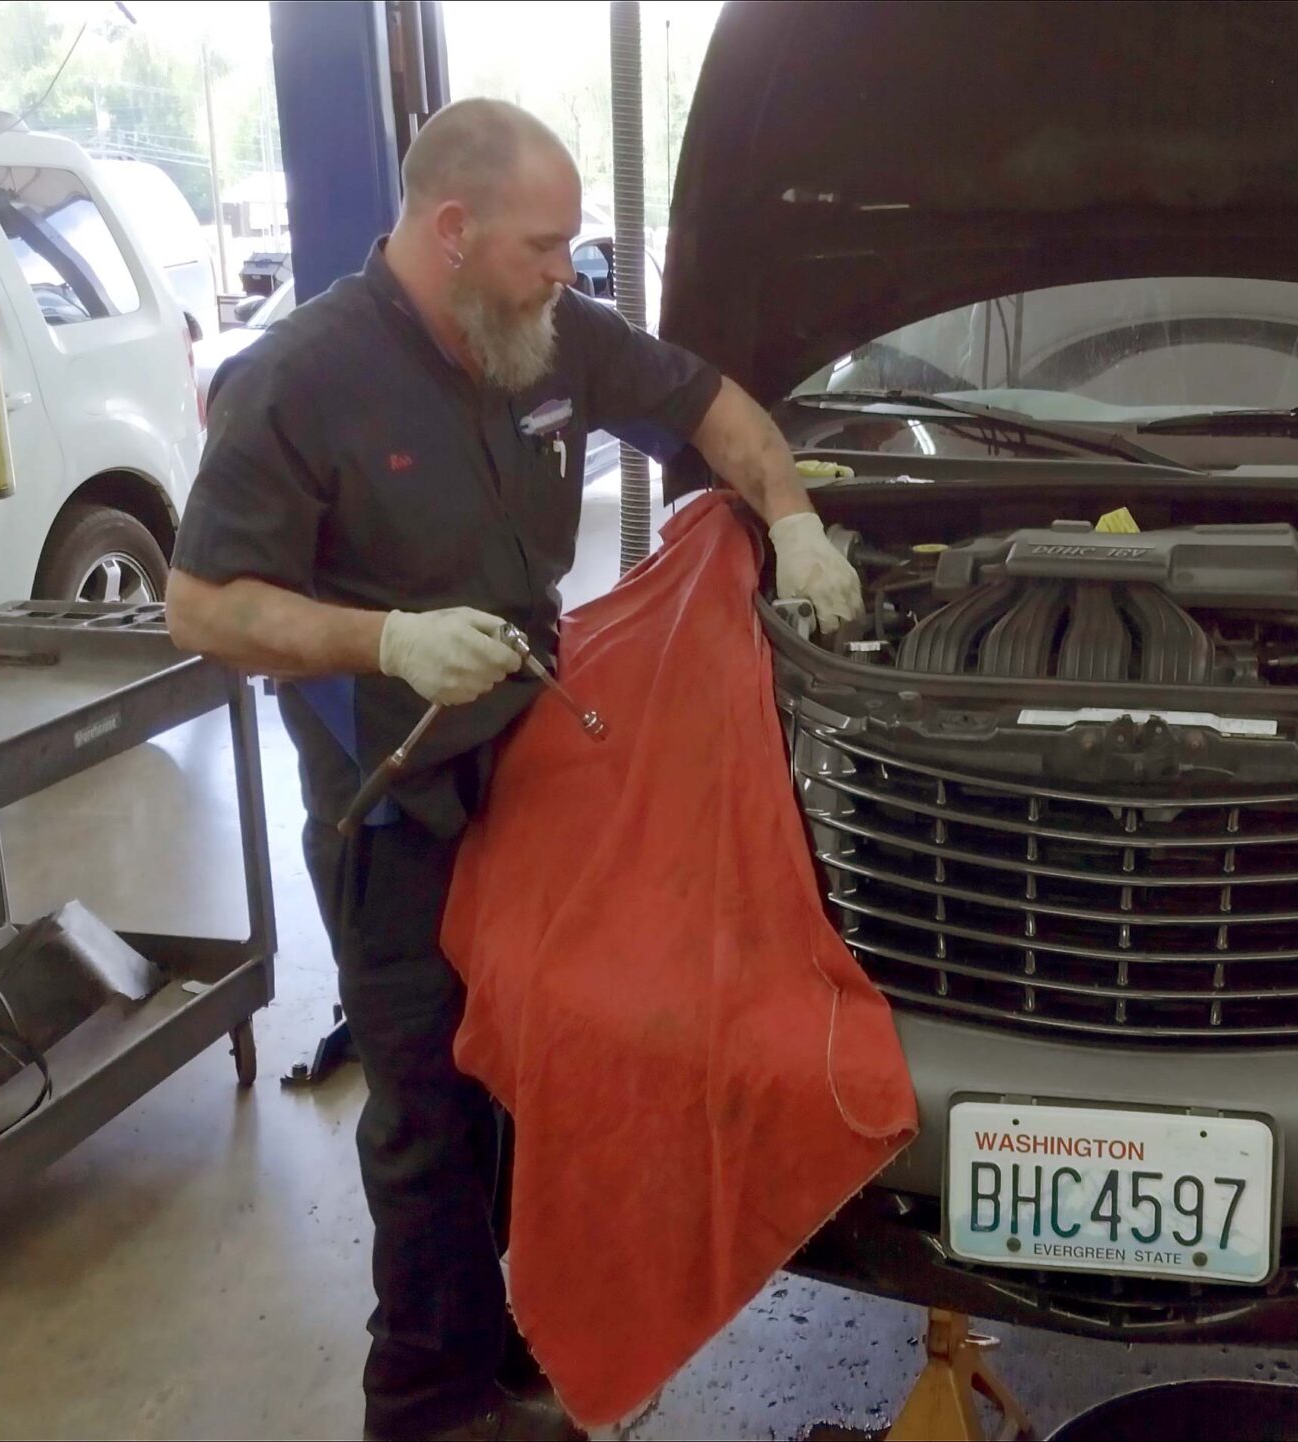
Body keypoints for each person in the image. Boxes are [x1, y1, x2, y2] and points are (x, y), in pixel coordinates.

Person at [164, 98, 862, 1442]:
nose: (568, 269)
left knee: (522, 1070)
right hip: (398, 798)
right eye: (544, 245)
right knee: (427, 1102)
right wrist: (386, 637)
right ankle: (424, 1401)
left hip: (530, 771)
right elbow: (203, 605)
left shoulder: (548, 335)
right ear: (451, 229)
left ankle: (503, 1347)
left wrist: (796, 518)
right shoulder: (300, 379)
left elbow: (714, 410)